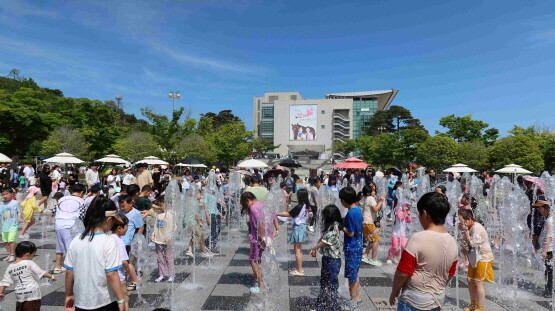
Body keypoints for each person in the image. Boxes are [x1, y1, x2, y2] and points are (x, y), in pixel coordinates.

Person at [389, 192, 458, 311]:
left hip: (413, 300)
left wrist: (394, 292)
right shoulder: (452, 241)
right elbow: (451, 273)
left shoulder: (418, 238)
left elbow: (403, 272)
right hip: (437, 301)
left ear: (424, 214)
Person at [63, 196, 126, 311]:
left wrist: (69, 295)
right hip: (105, 302)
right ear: (108, 220)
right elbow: (111, 274)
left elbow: (69, 272)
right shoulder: (109, 241)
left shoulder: (76, 240)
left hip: (81, 302)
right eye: (114, 222)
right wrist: (121, 300)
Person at [241, 192, 279, 294]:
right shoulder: (263, 204)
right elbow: (273, 215)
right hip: (268, 235)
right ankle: (263, 281)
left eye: (244, 203)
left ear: (247, 200)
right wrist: (277, 228)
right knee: (261, 260)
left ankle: (260, 285)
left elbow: (260, 222)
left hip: (257, 238)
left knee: (253, 261)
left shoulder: (253, 208)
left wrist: (261, 237)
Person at [0, 241, 56, 311]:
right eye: (32, 255)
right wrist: (51, 276)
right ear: (27, 255)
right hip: (32, 294)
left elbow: (4, 282)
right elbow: (41, 272)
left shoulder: (10, 267)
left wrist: (1, 292)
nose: (32, 258)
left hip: (20, 294)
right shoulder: (29, 262)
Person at [458, 209, 494, 311]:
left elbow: (473, 243)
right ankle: (473, 304)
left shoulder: (476, 228)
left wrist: (466, 233)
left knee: (478, 282)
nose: (462, 224)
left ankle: (480, 307)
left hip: (483, 257)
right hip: (474, 257)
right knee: (470, 280)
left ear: (469, 219)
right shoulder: (470, 227)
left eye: (462, 221)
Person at [310, 205, 343, 311]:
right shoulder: (330, 226)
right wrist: (316, 247)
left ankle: (333, 306)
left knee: (332, 284)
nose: (323, 218)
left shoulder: (335, 227)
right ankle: (322, 304)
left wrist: (314, 247)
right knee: (324, 282)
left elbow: (326, 241)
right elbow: (323, 237)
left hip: (333, 261)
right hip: (327, 259)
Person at [277, 188, 312, 276]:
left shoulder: (299, 206)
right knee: (299, 250)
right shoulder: (307, 206)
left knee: (297, 250)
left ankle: (299, 270)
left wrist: (276, 214)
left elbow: (288, 214)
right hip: (302, 227)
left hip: (298, 228)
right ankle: (299, 268)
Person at [339, 187, 363, 310]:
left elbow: (350, 233)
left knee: (351, 276)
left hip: (352, 247)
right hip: (358, 245)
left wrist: (340, 226)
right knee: (355, 273)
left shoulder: (351, 213)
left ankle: (353, 301)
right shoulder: (357, 209)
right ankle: (357, 297)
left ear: (344, 200)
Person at [53, 184, 86, 274]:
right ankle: (71, 267)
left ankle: (57, 267)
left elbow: (54, 211)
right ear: (82, 192)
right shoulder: (81, 201)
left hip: (59, 224)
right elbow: (82, 215)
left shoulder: (62, 199)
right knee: (71, 247)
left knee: (59, 246)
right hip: (70, 225)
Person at [145, 195, 176, 283]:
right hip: (158, 239)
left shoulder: (171, 214)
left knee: (168, 257)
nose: (159, 207)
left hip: (167, 239)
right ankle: (162, 274)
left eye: (161, 205)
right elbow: (156, 226)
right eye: (159, 205)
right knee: (159, 257)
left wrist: (170, 237)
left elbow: (174, 227)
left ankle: (171, 274)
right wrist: (153, 234)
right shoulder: (159, 215)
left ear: (167, 204)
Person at [110, 215, 133, 311]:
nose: (127, 228)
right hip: (119, 277)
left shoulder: (108, 238)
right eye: (127, 226)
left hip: (110, 277)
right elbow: (124, 261)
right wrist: (128, 272)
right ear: (119, 228)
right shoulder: (119, 241)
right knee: (124, 300)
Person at [361, 185, 385, 266]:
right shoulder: (370, 198)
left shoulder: (366, 198)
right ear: (368, 193)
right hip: (369, 222)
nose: (374, 192)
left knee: (372, 240)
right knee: (376, 240)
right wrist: (381, 202)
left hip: (365, 222)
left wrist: (378, 202)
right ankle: (373, 259)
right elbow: (375, 209)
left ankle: (365, 255)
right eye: (373, 191)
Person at [535, 197, 553, 298]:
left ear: (545, 207)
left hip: (549, 250)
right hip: (549, 249)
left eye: (539, 208)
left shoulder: (549, 221)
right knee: (548, 271)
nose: (538, 210)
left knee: (549, 271)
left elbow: (549, 237)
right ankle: (549, 290)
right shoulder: (549, 217)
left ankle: (549, 292)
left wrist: (544, 251)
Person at [1, 188, 23, 263]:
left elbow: (19, 211)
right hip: (4, 225)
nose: (4, 196)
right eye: (3, 194)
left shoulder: (15, 202)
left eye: (6, 194)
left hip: (13, 225)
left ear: (11, 194)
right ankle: (9, 254)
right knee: (5, 241)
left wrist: (19, 218)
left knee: (11, 240)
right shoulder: (1, 204)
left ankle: (13, 255)